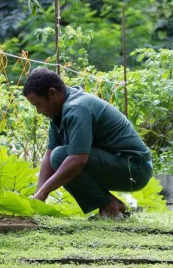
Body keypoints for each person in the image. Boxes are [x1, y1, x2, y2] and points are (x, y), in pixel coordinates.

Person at [22, 68, 152, 218]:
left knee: (62, 157)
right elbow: (48, 156)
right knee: (57, 156)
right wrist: (37, 198)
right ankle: (111, 205)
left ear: (53, 93)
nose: (38, 111)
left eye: (38, 104)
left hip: (136, 170)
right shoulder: (58, 113)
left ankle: (110, 207)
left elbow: (77, 160)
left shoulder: (77, 109)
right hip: (122, 165)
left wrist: (44, 192)